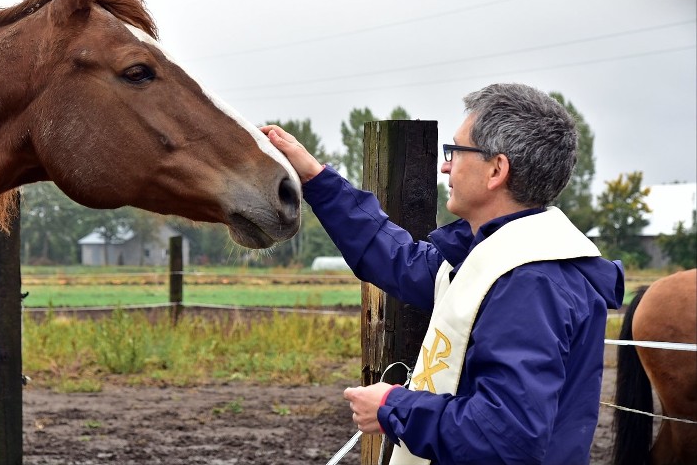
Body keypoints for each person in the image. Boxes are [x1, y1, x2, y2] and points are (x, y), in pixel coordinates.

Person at [260, 83, 624, 465]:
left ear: (497, 169)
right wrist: (316, 178)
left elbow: (506, 436)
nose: (445, 165)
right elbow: (398, 259)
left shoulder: (530, 281)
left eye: (456, 151)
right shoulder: (498, 258)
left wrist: (392, 406)